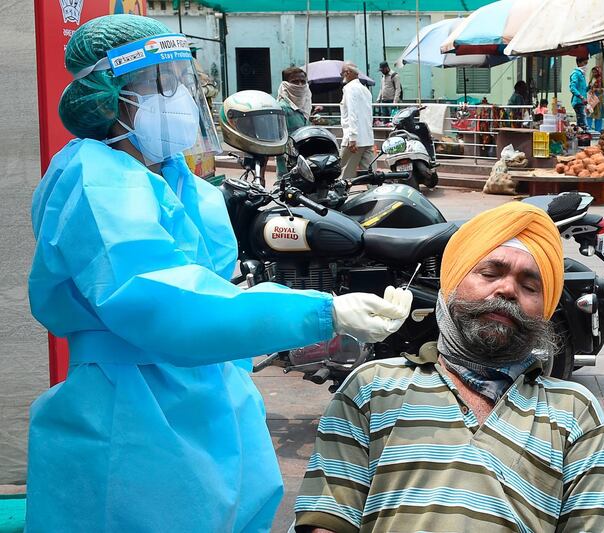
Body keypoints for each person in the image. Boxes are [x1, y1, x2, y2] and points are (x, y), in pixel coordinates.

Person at [26, 15, 413, 532]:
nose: (183, 97)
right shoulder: (96, 179)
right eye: (163, 84)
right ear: (112, 97)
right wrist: (322, 312)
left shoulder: (175, 180)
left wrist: (290, 316)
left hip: (211, 401)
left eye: (185, 81)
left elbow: (216, 291)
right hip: (131, 417)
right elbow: (166, 302)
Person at [294, 201, 604, 533]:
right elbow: (327, 517)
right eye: (489, 273)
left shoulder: (574, 412)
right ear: (450, 285)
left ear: (545, 309)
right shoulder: (373, 388)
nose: (507, 289)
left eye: (529, 286)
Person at [340, 61, 375, 179]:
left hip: (354, 141)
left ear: (348, 73)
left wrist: (352, 138)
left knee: (344, 175)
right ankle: (376, 196)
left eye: (342, 73)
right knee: (371, 176)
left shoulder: (349, 88)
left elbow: (352, 113)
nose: (342, 77)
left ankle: (340, 196)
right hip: (368, 139)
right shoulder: (365, 90)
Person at [276, 66, 312, 175]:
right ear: (285, 84)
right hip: (288, 163)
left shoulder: (305, 106)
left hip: (305, 159)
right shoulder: (281, 108)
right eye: (295, 82)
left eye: (303, 81)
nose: (300, 85)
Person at [569, 56, 589, 129]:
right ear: (579, 63)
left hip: (582, 102)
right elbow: (572, 88)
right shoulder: (576, 74)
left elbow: (583, 90)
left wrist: (589, 87)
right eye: (585, 63)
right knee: (583, 123)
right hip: (578, 102)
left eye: (587, 63)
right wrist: (581, 97)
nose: (586, 66)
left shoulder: (581, 74)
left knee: (581, 123)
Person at [589, 66, 604, 131]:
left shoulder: (601, 79)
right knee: (589, 114)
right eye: (593, 72)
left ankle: (597, 130)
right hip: (591, 98)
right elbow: (589, 87)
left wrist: (596, 89)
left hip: (599, 99)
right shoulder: (592, 79)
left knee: (598, 115)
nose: (594, 73)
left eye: (595, 72)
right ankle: (588, 129)